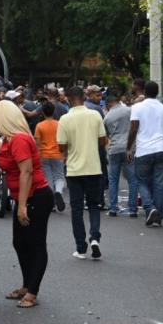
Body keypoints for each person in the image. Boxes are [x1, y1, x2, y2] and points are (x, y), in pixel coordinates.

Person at [0, 100, 53, 308]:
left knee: (35, 245)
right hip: (24, 197)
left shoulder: (20, 140)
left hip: (36, 196)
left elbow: (27, 172)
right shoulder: (9, 139)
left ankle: (32, 291)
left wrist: (22, 205)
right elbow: (1, 151)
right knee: (20, 242)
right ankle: (27, 285)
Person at [57, 86, 106, 260]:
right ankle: (95, 238)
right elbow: (102, 141)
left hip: (74, 170)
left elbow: (61, 146)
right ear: (84, 97)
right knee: (94, 206)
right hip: (93, 167)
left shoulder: (64, 119)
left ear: (69, 99)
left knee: (76, 209)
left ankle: (81, 247)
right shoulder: (95, 115)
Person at [127, 81, 163, 228]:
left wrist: (128, 148)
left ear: (144, 92)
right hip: (160, 149)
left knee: (141, 181)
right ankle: (158, 216)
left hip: (143, 151)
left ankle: (149, 207)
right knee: (159, 184)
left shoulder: (136, 107)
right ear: (157, 92)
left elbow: (134, 129)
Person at [103, 94, 138, 218]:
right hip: (128, 149)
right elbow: (135, 126)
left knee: (113, 180)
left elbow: (107, 136)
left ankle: (113, 208)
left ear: (108, 104)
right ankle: (133, 209)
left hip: (114, 150)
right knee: (132, 180)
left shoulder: (106, 118)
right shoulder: (129, 111)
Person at [34, 102, 66, 211]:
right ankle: (58, 192)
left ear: (43, 112)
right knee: (59, 177)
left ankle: (51, 201)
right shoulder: (60, 124)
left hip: (44, 154)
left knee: (48, 178)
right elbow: (63, 140)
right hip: (58, 154)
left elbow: (37, 143)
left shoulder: (39, 125)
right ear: (54, 112)